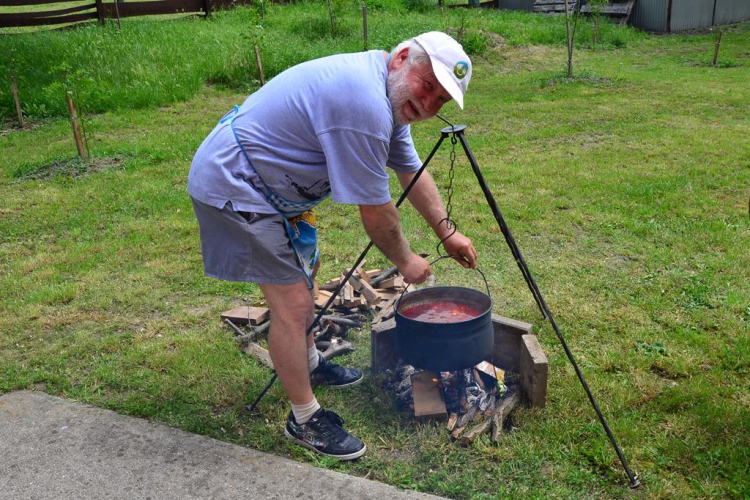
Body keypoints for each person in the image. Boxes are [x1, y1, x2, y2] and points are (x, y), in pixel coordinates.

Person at [188, 31, 478, 461]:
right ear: (401, 58)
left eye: (441, 99)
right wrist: (405, 261)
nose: (429, 103)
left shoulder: (389, 97)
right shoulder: (361, 102)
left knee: (308, 276)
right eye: (428, 83)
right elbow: (376, 212)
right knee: (294, 305)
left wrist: (446, 232)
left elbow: (409, 170)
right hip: (239, 186)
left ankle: (307, 364)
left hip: (277, 195)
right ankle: (304, 419)